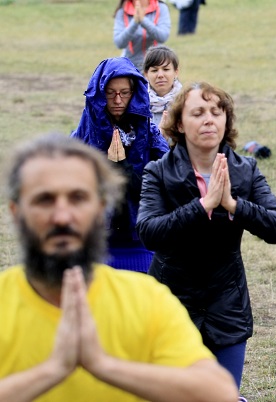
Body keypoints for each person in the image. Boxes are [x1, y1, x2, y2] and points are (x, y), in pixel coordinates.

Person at [0, 134, 239, 402]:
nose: (62, 216)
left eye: (78, 198)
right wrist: (53, 370)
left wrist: (104, 365)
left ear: (101, 208)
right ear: (16, 213)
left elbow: (219, 393)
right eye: (44, 200)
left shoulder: (146, 298)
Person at [136, 82, 276, 389]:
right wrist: (203, 205)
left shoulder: (245, 169)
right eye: (198, 113)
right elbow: (149, 233)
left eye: (216, 112)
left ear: (226, 120)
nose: (209, 119)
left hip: (227, 305)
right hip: (171, 306)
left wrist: (233, 204)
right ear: (180, 123)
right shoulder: (159, 171)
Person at [71, 57, 169, 273]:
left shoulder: (148, 133)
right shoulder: (84, 135)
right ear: (99, 94)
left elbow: (165, 187)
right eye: (110, 93)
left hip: (141, 243)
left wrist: (124, 168)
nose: (117, 100)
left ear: (134, 94)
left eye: (124, 93)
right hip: (95, 244)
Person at [113, 0, 171, 71]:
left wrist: (143, 20)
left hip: (155, 65)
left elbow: (163, 37)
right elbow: (119, 43)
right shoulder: (122, 11)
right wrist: (135, 22)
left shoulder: (161, 7)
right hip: (131, 66)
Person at [143, 44, 182, 130]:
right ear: (146, 74)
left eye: (166, 69)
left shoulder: (185, 101)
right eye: (154, 70)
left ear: (176, 72)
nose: (160, 75)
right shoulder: (138, 104)